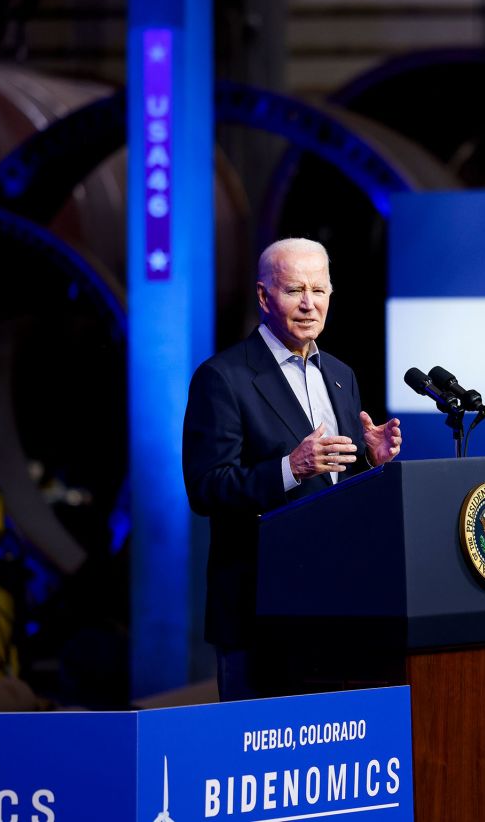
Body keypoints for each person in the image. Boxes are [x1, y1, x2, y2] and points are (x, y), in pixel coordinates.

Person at [182, 237, 402, 701]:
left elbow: (333, 491)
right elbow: (206, 489)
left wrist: (370, 464)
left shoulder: (341, 376)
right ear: (264, 297)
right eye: (294, 291)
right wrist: (289, 467)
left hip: (335, 608)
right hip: (258, 614)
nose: (309, 305)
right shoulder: (222, 378)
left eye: (318, 291)